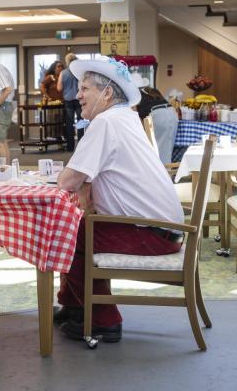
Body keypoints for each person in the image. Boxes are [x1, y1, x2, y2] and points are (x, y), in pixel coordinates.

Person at [54, 57, 184, 342]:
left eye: (85, 88)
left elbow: (67, 181)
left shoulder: (106, 123)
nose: (77, 94)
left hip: (149, 233)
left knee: (68, 234)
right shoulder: (125, 117)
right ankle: (75, 306)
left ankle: (104, 321)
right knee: (78, 228)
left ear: (107, 93)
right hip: (165, 230)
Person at [133, 72, 178, 165]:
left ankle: (160, 174)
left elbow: (134, 114)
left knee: (155, 149)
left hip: (157, 115)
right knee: (167, 148)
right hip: (171, 112)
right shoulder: (151, 90)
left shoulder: (136, 94)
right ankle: (167, 173)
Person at [57, 53, 83, 151]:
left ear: (67, 62)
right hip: (79, 99)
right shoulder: (80, 72)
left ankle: (70, 147)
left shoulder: (63, 73)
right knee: (80, 122)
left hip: (68, 100)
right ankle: (81, 146)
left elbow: (59, 88)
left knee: (69, 123)